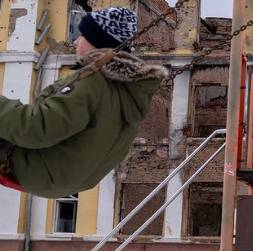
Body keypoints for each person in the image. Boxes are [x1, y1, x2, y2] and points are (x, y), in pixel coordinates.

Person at [0, 7, 167, 199]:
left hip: (41, 171)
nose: (75, 42)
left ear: (98, 41)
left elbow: (37, 128)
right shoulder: (129, 89)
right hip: (73, 180)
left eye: (82, 35)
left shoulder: (92, 81)